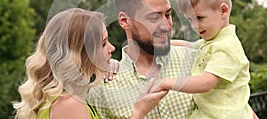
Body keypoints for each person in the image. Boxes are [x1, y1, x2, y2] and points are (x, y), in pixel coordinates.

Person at [13, 8, 168, 119]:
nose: (112, 48)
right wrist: (139, 112)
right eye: (103, 44)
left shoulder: (62, 98)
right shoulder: (70, 105)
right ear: (80, 53)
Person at [87, 0, 196, 118]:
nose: (166, 26)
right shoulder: (103, 91)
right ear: (125, 21)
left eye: (168, 15)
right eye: (153, 18)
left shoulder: (196, 60)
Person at [152, 0, 257, 119]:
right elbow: (189, 45)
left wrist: (166, 82)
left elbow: (206, 82)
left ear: (223, 10)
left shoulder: (226, 47)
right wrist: (161, 44)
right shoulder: (212, 42)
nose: (195, 26)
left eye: (199, 18)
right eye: (190, 20)